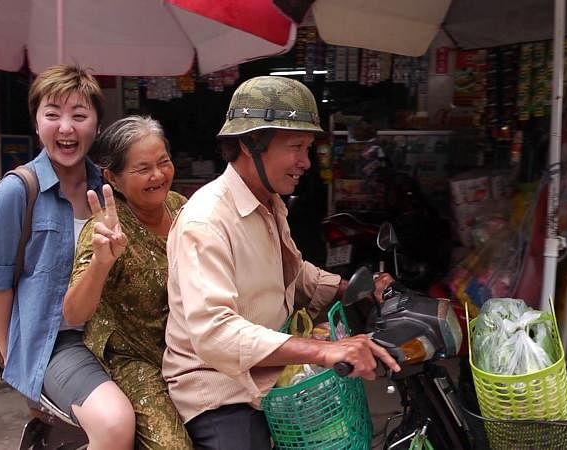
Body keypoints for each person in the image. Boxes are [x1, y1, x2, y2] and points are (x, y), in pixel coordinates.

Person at [162, 75, 401, 449]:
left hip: (274, 375)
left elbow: (290, 268)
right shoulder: (206, 221)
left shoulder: (268, 202)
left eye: (307, 148)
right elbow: (215, 332)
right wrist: (322, 350)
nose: (306, 162)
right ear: (250, 143)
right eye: (296, 147)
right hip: (221, 389)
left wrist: (350, 286)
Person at [0, 64, 134, 449]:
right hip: (56, 341)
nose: (66, 127)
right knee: (114, 426)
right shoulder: (16, 193)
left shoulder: (110, 186)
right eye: (53, 114)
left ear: (96, 125)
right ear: (37, 123)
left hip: (116, 334)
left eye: (79, 115)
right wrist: (18, 362)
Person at [63, 116, 192, 450]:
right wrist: (102, 262)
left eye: (163, 162)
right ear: (113, 178)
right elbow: (75, 313)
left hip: (188, 349)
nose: (158, 175)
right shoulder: (104, 229)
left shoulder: (182, 208)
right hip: (133, 359)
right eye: (143, 168)